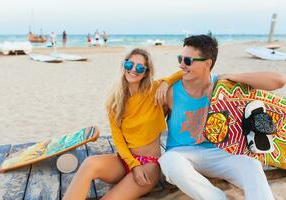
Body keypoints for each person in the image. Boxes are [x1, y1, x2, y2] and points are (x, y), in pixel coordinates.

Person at [157, 34, 285, 200]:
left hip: (221, 152)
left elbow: (279, 80)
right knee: (168, 162)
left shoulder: (225, 86)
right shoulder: (170, 92)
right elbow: (152, 130)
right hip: (182, 154)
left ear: (207, 63)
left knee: (251, 164)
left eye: (188, 61)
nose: (181, 65)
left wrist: (235, 77)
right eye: (180, 58)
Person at [63, 48, 182, 200]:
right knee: (89, 164)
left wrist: (167, 82)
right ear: (124, 65)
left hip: (148, 164)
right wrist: (133, 164)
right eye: (129, 65)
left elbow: (184, 72)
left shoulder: (153, 90)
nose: (133, 70)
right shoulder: (115, 101)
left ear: (146, 72)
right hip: (124, 161)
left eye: (139, 67)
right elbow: (118, 140)